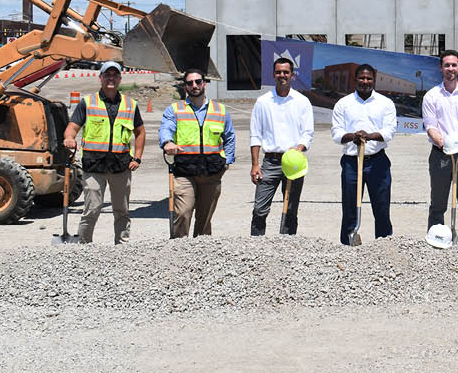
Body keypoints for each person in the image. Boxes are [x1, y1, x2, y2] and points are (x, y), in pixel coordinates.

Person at [62, 61, 145, 244]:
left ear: (120, 79)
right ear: (100, 78)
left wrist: (137, 158)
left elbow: (140, 132)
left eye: (115, 75)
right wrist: (69, 138)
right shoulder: (88, 103)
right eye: (107, 74)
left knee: (122, 210)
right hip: (94, 167)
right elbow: (72, 128)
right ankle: (84, 246)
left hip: (121, 167)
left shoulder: (130, 105)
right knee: (92, 209)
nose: (111, 78)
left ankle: (122, 246)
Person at [159, 69, 235, 238]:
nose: (194, 86)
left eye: (198, 82)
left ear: (204, 84)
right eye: (190, 83)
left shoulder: (220, 111)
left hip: (212, 173)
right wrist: (167, 142)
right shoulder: (175, 110)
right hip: (184, 172)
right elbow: (166, 129)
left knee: (205, 218)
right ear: (185, 86)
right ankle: (179, 249)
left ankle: (202, 252)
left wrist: (227, 161)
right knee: (183, 212)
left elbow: (229, 137)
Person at [331, 63, 397, 245]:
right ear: (355, 80)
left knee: (382, 208)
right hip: (352, 163)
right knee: (350, 208)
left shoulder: (386, 103)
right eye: (361, 78)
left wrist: (369, 136)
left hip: (378, 162)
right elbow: (336, 134)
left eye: (369, 78)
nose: (365, 81)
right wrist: (353, 136)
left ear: (374, 80)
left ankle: (384, 247)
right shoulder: (343, 104)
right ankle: (348, 246)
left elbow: (390, 131)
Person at [249, 57, 314, 236]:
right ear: (273, 74)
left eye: (286, 72)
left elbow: (307, 133)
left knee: (290, 209)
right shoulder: (263, 102)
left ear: (292, 75)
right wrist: (255, 164)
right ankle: (256, 246)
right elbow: (255, 135)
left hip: (293, 162)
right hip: (270, 162)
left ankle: (287, 246)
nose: (282, 75)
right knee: (259, 209)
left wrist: (299, 149)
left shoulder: (302, 101)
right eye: (278, 72)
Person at [422, 49, 458, 240]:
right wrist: (443, 142)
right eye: (447, 65)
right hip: (440, 155)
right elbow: (430, 125)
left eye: (454, 65)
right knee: (437, 205)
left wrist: (456, 141)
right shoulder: (431, 96)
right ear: (441, 68)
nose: (450, 69)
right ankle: (435, 241)